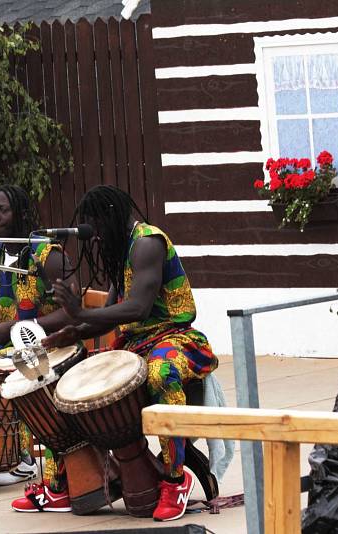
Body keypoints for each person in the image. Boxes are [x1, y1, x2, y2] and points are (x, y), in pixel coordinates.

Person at [42, 184, 217, 522]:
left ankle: (175, 478)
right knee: (69, 380)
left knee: (160, 373)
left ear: (110, 217)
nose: (93, 240)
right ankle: (75, 479)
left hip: (175, 337)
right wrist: (73, 332)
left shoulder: (148, 243)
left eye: (95, 230)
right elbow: (111, 314)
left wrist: (80, 314)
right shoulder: (122, 251)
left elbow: (137, 308)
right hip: (134, 343)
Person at [0, 185, 72, 502]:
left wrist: (22, 326)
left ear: (20, 213)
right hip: (10, 341)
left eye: (2, 210)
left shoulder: (47, 255)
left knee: (7, 364)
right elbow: (4, 308)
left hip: (44, 345)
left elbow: (73, 312)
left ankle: (21, 458)